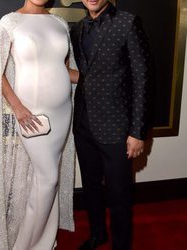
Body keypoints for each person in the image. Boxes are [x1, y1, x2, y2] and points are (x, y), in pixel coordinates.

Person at [0, 0, 77, 249]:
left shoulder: (59, 23)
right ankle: (25, 246)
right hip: (32, 115)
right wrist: (18, 108)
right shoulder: (10, 22)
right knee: (49, 178)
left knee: (46, 179)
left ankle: (45, 241)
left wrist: (103, 77)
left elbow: (65, 69)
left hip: (63, 111)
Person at [70, 0, 152, 249]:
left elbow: (142, 79)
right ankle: (97, 234)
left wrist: (137, 133)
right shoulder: (78, 28)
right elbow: (86, 74)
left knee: (119, 195)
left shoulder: (127, 22)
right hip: (83, 124)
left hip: (116, 127)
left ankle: (121, 244)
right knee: (91, 187)